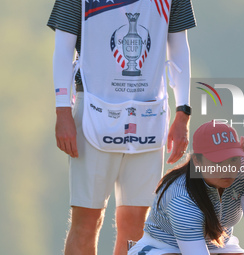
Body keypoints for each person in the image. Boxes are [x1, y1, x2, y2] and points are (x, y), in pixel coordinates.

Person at [47, 0, 196, 254]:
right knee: (86, 221)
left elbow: (179, 46)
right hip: (93, 112)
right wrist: (62, 110)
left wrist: (183, 111)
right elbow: (63, 48)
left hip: (149, 115)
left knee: (137, 224)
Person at [128, 120, 244, 255]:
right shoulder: (181, 196)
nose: (227, 169)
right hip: (162, 248)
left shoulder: (242, 172)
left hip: (219, 247)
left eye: (233, 159)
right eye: (218, 162)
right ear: (197, 161)